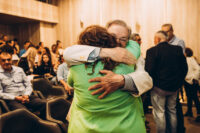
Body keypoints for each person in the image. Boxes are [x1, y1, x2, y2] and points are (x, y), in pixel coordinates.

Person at [67, 25, 146, 133]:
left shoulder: (75, 68)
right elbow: (133, 44)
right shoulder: (127, 63)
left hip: (85, 127)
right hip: (126, 127)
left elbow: (70, 83)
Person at [63, 20, 153, 99]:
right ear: (105, 36)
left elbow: (147, 79)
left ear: (128, 41)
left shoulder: (131, 53)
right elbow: (68, 53)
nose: (117, 41)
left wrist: (123, 80)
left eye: (123, 39)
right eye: (112, 36)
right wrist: (108, 52)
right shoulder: (82, 55)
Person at [145, 31, 188, 133]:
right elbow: (184, 68)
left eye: (154, 39)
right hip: (174, 88)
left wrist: (153, 85)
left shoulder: (152, 51)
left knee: (160, 113)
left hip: (158, 88)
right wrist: (179, 83)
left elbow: (149, 70)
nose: (154, 41)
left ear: (158, 39)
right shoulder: (177, 49)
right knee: (172, 111)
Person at [0, 45, 46, 119]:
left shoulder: (19, 70)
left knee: (44, 104)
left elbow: (28, 85)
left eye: (8, 60)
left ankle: (42, 124)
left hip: (26, 96)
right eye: (3, 60)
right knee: (23, 112)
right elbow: (0, 93)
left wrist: (26, 95)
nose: (7, 62)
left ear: (11, 60)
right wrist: (16, 98)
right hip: (13, 100)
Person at [162, 23, 186, 132]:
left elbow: (179, 61)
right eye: (163, 31)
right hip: (165, 78)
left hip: (174, 78)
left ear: (172, 31)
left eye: (167, 31)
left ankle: (179, 128)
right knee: (168, 107)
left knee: (175, 106)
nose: (165, 34)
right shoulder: (164, 42)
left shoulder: (179, 42)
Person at [184, 47, 200, 122]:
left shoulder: (191, 59)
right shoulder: (185, 60)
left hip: (192, 81)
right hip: (187, 81)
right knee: (189, 97)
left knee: (195, 98)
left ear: (186, 53)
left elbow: (198, 68)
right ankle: (189, 111)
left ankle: (199, 114)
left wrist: (195, 78)